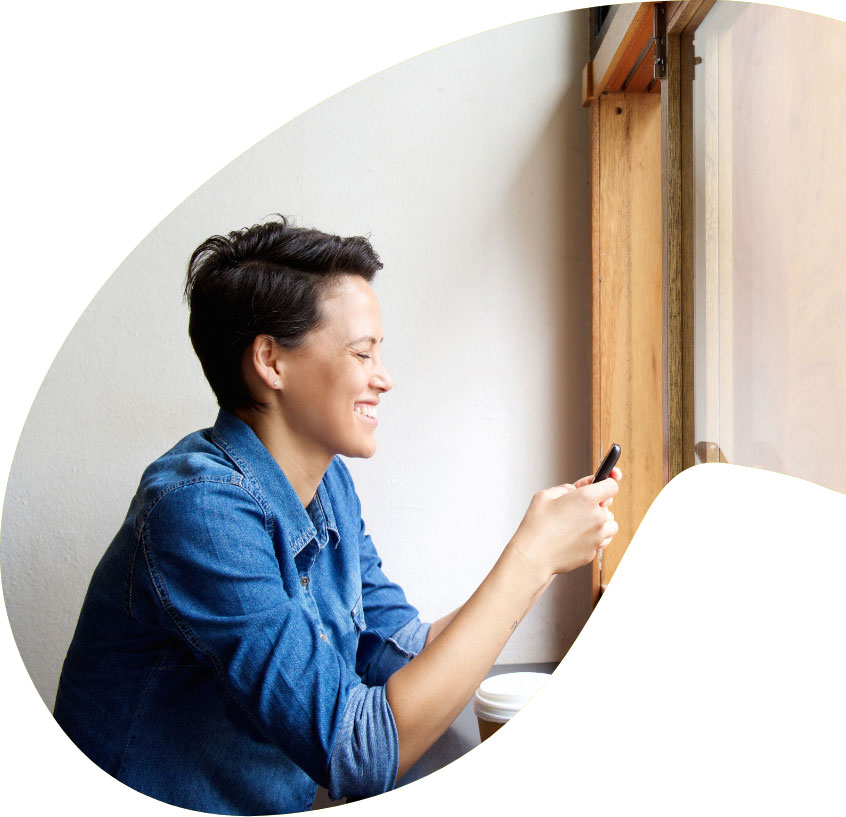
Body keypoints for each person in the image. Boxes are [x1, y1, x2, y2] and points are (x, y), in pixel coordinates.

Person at [53, 217, 620, 815]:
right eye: (362, 353)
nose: (385, 377)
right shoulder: (199, 513)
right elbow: (359, 753)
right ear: (271, 361)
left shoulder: (329, 485)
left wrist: (542, 554)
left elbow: (391, 651)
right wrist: (531, 559)